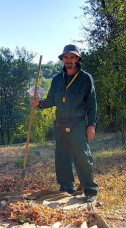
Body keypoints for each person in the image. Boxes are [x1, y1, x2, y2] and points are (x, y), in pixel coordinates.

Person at [30, 44, 98, 202]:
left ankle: (90, 191)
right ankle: (67, 188)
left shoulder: (85, 78)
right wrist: (39, 103)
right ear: (62, 59)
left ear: (77, 59)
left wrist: (92, 125)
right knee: (62, 157)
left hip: (78, 123)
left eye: (72, 57)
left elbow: (92, 104)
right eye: (66, 57)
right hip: (60, 123)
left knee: (82, 156)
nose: (69, 60)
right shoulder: (56, 80)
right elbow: (51, 100)